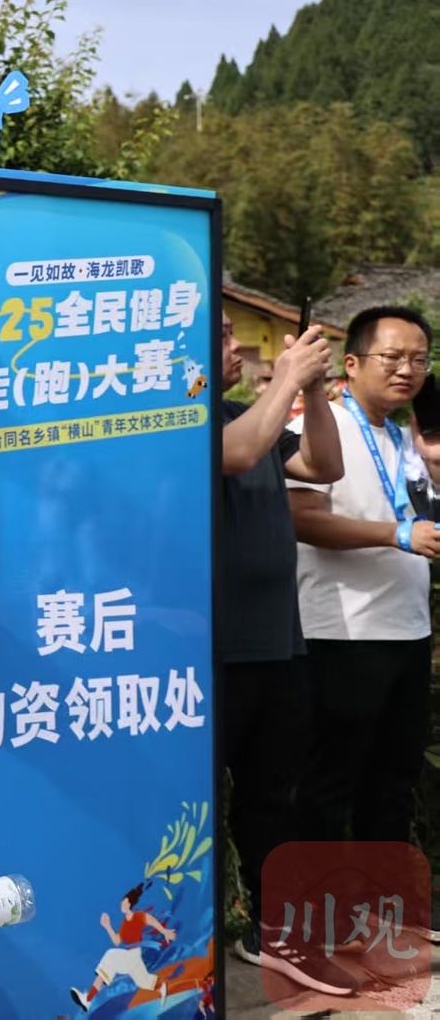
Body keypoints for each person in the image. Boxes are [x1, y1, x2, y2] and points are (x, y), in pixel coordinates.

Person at [216, 315, 351, 994]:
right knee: (198, 800)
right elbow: (239, 453)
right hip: (210, 652)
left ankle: (274, 932)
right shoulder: (172, 420)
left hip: (277, 641)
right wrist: (291, 379)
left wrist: (315, 390)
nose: (237, 346)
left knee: (275, 797)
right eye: (220, 334)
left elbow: (325, 467)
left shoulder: (249, 413)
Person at [288, 307, 439, 861]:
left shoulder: (407, 439)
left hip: (408, 631)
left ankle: (385, 901)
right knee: (328, 786)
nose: (408, 370)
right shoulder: (316, 425)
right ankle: (316, 903)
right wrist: (394, 535)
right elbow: (300, 518)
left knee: (394, 784)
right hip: (341, 633)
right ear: (351, 363)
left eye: (420, 360)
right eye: (393, 357)